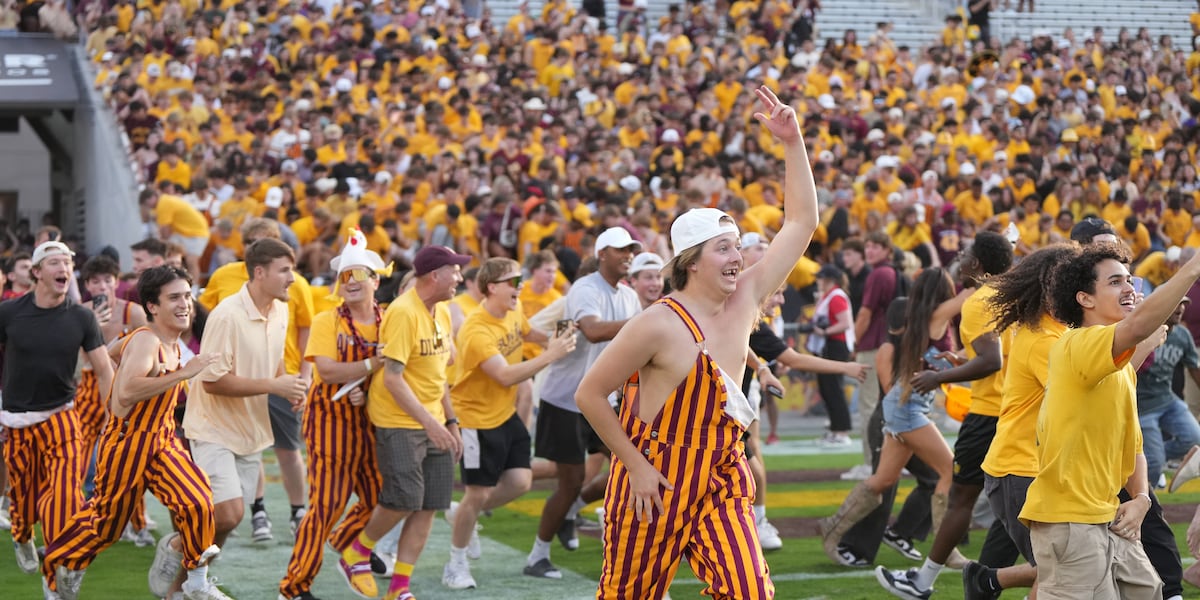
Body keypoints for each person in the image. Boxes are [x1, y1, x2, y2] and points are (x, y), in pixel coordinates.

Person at [575, 86, 817, 599]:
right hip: (654, 480)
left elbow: (801, 222)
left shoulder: (746, 296)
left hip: (723, 473)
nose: (738, 257)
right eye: (723, 248)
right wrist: (636, 467)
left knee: (750, 592)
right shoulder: (657, 322)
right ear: (691, 261)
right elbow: (589, 394)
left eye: (738, 246)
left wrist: (792, 143)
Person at [1019, 241, 1200, 598]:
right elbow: (1138, 326)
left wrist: (1142, 498)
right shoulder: (1077, 343)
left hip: (1109, 518)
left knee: (1149, 591)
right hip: (1072, 521)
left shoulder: (1121, 370)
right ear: (1084, 299)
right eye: (1115, 282)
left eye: (1129, 279)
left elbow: (1133, 448)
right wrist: (1193, 268)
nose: (1129, 288)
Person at [43, 266, 228, 600]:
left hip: (162, 437)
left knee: (197, 500)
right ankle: (59, 564)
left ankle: (196, 581)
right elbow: (126, 394)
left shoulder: (162, 340)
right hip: (128, 441)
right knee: (105, 527)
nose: (185, 303)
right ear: (152, 306)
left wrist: (116, 363)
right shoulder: (147, 339)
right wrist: (183, 373)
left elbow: (110, 353)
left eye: (187, 296)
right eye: (175, 297)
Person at [876, 231, 1016, 597]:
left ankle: (924, 580)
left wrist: (938, 377)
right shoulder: (1013, 295)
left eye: (966, 253)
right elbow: (1004, 351)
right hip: (1018, 410)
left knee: (961, 498)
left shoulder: (979, 301)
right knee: (1012, 504)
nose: (960, 258)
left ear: (977, 264)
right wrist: (962, 359)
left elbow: (992, 360)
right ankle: (986, 582)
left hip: (987, 413)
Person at [334, 245, 471, 600]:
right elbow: (394, 379)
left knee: (429, 506)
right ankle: (357, 552)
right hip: (399, 420)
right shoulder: (403, 312)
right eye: (455, 270)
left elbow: (437, 376)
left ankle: (399, 588)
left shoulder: (441, 311)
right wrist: (432, 424)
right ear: (435, 275)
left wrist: (450, 421)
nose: (460, 277)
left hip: (432, 419)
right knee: (405, 499)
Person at [442, 257, 576, 590]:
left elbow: (528, 332)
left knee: (519, 481)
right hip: (475, 420)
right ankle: (455, 564)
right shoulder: (476, 329)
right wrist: (552, 354)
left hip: (504, 413)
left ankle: (464, 514)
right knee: (477, 493)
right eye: (514, 281)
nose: (521, 286)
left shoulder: (512, 310)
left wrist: (562, 336)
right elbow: (504, 375)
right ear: (492, 287)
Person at [825, 268, 970, 567]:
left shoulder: (923, 320)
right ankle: (947, 551)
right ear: (943, 293)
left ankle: (832, 529)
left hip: (906, 405)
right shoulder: (935, 318)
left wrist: (959, 359)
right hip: (907, 407)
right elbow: (970, 295)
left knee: (884, 479)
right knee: (950, 470)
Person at [524, 226, 642, 579]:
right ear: (602, 254)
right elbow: (592, 330)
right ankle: (537, 555)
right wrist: (647, 321)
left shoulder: (628, 295)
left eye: (631, 250)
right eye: (621, 249)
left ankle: (573, 511)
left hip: (600, 398)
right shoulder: (585, 288)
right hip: (566, 398)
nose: (628, 255)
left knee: (633, 465)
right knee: (571, 480)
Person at [279, 230, 388, 600]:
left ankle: (346, 541)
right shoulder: (328, 320)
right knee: (326, 506)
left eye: (358, 274)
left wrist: (366, 388)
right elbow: (326, 371)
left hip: (373, 418)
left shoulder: (389, 318)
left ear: (375, 280)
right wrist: (371, 365)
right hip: (330, 420)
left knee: (388, 497)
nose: (350, 281)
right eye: (344, 275)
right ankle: (294, 587)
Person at [183, 238, 309, 559]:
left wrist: (288, 387)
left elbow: (274, 359)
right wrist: (275, 385)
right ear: (259, 272)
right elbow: (212, 382)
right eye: (284, 271)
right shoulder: (226, 316)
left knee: (230, 520)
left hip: (250, 430)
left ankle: (188, 577)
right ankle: (176, 550)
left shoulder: (281, 309)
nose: (292, 279)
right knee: (227, 514)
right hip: (213, 428)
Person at [0, 241, 112, 591]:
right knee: (24, 503)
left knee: (65, 498)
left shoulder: (82, 317)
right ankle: (21, 535)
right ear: (36, 272)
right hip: (17, 419)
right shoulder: (9, 312)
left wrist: (114, 415)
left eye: (67, 262)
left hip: (62, 417)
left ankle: (55, 581)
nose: (64, 268)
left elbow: (104, 370)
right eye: (54, 262)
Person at [969, 244, 1079, 599]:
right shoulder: (1045, 340)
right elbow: (1084, 397)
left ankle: (987, 580)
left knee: (1063, 567)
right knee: (1060, 573)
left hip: (1031, 468)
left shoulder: (1056, 332)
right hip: (1022, 470)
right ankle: (986, 580)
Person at [74, 256, 151, 544]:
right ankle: (77, 518)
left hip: (122, 390)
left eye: (108, 280)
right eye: (95, 281)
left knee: (127, 456)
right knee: (77, 458)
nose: (102, 286)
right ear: (87, 285)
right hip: (87, 389)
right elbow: (73, 358)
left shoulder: (133, 312)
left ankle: (138, 523)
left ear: (116, 282)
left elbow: (147, 351)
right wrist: (90, 326)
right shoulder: (79, 312)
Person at [847, 231, 908, 480]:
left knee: (869, 407)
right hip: (893, 346)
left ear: (887, 250)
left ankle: (872, 464)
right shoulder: (893, 272)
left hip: (874, 347)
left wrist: (853, 342)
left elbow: (865, 314)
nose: (870, 250)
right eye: (868, 246)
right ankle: (896, 462)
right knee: (893, 406)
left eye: (876, 246)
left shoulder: (879, 274)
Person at [1135, 297, 1200, 491]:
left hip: (1168, 400)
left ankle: (1150, 457)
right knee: (1154, 465)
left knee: (1194, 438)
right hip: (1143, 407)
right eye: (1175, 303)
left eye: (1183, 304)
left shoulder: (1182, 335)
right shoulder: (1143, 332)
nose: (1180, 309)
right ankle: (1145, 500)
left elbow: (1194, 367)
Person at [808, 264, 857, 447]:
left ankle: (842, 431)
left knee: (834, 388)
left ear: (829, 279)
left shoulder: (836, 296)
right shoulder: (828, 296)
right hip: (829, 346)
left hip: (835, 346)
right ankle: (835, 430)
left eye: (820, 278)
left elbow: (845, 323)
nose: (818, 281)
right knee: (827, 388)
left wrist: (825, 331)